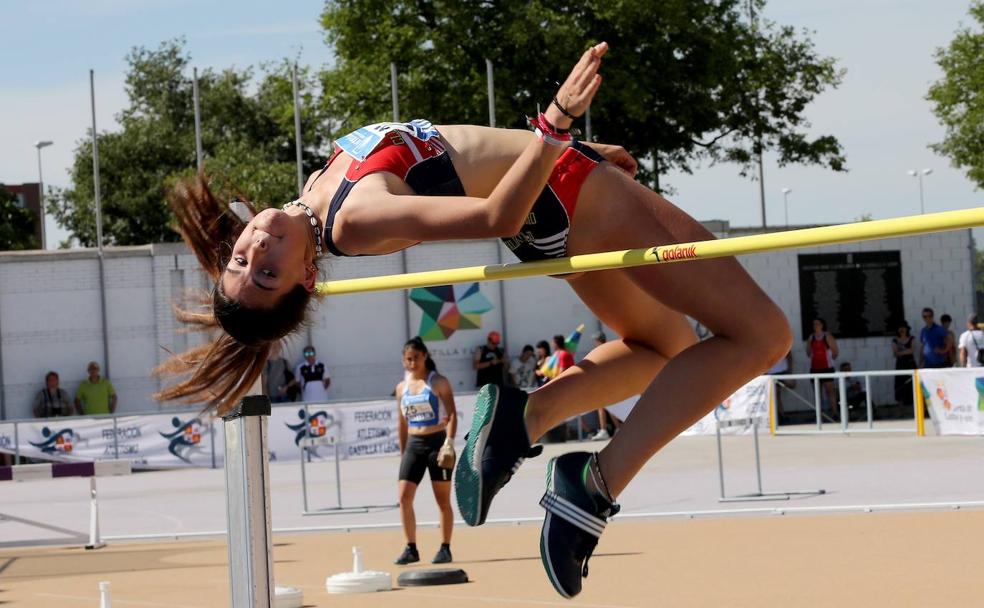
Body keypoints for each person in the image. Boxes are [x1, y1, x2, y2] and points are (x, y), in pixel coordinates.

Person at [158, 42, 790, 599]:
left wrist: (570, 147)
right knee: (762, 335)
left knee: (665, 346)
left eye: (243, 258)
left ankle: (529, 416)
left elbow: (461, 153)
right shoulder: (352, 219)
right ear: (305, 277)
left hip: (561, 194)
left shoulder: (321, 184)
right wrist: (558, 125)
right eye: (264, 272)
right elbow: (495, 218)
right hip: (567, 195)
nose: (258, 248)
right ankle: (592, 486)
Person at [394, 337, 457, 565]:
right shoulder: (402, 388)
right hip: (414, 444)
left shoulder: (438, 382)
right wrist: (403, 452)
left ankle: (445, 547)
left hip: (437, 442)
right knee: (403, 497)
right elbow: (401, 422)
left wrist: (449, 441)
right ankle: (411, 547)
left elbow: (451, 414)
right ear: (404, 360)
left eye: (416, 358)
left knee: (442, 500)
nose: (412, 363)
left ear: (425, 357)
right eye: (408, 359)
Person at [805, 318, 838, 421]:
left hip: (827, 368)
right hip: (815, 368)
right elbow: (808, 352)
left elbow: (835, 351)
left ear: (822, 325)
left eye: (817, 324)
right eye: (814, 324)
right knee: (817, 393)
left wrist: (829, 360)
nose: (815, 326)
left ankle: (835, 413)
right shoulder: (811, 337)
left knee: (830, 392)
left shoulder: (827, 336)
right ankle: (819, 415)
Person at [590, 331, 620, 440]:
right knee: (608, 406)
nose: (594, 342)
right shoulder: (608, 349)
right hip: (607, 382)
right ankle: (617, 428)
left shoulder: (601, 350)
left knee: (602, 406)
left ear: (598, 340)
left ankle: (604, 430)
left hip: (605, 382)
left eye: (595, 340)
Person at [891, 322, 917, 407]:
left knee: (913, 383)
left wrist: (901, 352)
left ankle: (914, 404)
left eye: (903, 328)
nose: (902, 330)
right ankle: (900, 405)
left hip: (910, 363)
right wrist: (906, 351)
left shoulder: (911, 338)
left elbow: (912, 350)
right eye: (900, 328)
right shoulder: (895, 340)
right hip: (900, 365)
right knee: (900, 384)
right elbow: (895, 353)